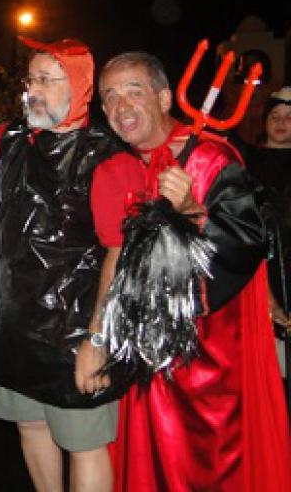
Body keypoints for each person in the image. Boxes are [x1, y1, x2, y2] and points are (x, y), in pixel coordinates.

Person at [97, 52, 291, 491]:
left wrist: (192, 213)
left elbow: (245, 243)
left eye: (133, 91)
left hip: (206, 361)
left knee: (205, 468)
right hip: (155, 356)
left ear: (165, 98)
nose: (120, 106)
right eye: (109, 96)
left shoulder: (210, 158)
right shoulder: (136, 163)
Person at [0, 39, 137, 492]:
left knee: (84, 444)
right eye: (31, 79)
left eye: (47, 80)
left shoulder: (107, 159)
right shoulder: (13, 140)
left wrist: (97, 339)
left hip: (75, 335)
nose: (33, 90)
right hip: (16, 333)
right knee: (30, 427)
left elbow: (120, 256)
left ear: (80, 87)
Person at [240, 87, 291, 375]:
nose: (281, 122)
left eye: (289, 117)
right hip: (260, 262)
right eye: (275, 116)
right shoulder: (247, 161)